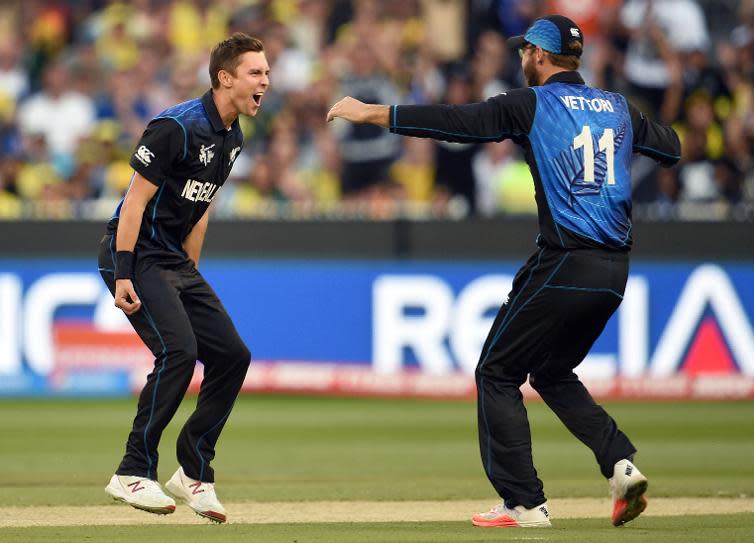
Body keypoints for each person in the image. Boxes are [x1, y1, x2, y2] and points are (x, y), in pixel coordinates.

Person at [327, 15, 680, 528]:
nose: (521, 59)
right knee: (553, 372)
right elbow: (670, 147)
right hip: (615, 271)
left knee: (496, 371)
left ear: (538, 54)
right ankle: (621, 465)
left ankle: (524, 502)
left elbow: (458, 122)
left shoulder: (531, 103)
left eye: (525, 52)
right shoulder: (618, 106)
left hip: (566, 261)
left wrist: (373, 113)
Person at [98, 32, 269, 523]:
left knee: (233, 355)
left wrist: (191, 274)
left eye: (267, 73)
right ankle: (132, 471)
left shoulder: (233, 137)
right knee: (179, 352)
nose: (265, 82)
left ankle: (192, 471)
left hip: (172, 261)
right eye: (256, 73)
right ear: (225, 77)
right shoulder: (176, 126)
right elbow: (134, 203)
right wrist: (124, 272)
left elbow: (201, 207)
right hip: (133, 254)